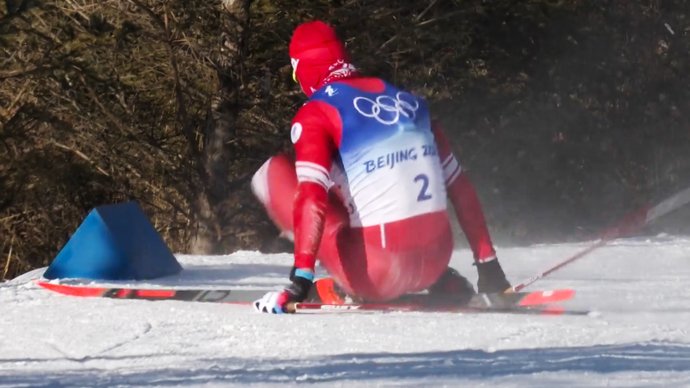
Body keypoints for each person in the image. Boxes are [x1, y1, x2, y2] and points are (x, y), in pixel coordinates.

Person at [252, 20, 510, 314]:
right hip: (437, 258)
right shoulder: (409, 102)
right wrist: (490, 269)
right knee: (358, 181)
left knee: (274, 172)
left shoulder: (318, 112)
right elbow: (459, 187)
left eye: (295, 75)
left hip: (378, 271)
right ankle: (440, 280)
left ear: (303, 69)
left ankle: (349, 281)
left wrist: (299, 280)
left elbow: (311, 198)